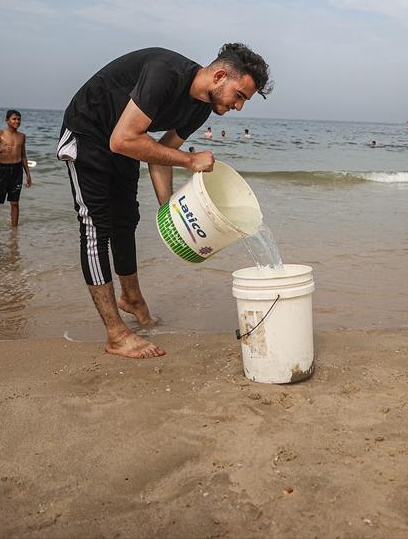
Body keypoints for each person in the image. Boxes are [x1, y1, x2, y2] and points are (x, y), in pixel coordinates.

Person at [56, 43, 271, 359]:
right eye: (239, 95)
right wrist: (189, 160)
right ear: (221, 75)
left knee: (126, 221)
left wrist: (170, 209)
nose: (239, 106)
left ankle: (132, 299)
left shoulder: (199, 107)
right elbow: (123, 139)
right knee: (95, 229)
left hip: (124, 141)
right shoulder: (164, 73)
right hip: (88, 131)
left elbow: (158, 158)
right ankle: (116, 335)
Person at [0, 110, 33, 230]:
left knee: (14, 202)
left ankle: (14, 231)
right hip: (3, 169)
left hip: (17, 170)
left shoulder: (22, 136)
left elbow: (23, 156)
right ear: (7, 120)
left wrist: (28, 174)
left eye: (19, 119)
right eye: (14, 119)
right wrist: (0, 150)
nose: (17, 121)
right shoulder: (0, 134)